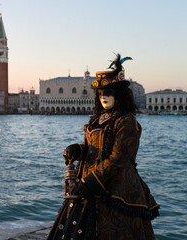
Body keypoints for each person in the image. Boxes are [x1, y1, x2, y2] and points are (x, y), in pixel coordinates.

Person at [47, 54, 159, 240]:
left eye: (108, 92)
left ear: (119, 94)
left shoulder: (127, 122)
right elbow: (91, 148)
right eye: (100, 94)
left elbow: (119, 159)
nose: (103, 97)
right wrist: (77, 150)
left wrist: (91, 182)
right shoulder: (97, 119)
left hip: (117, 189)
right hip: (89, 184)